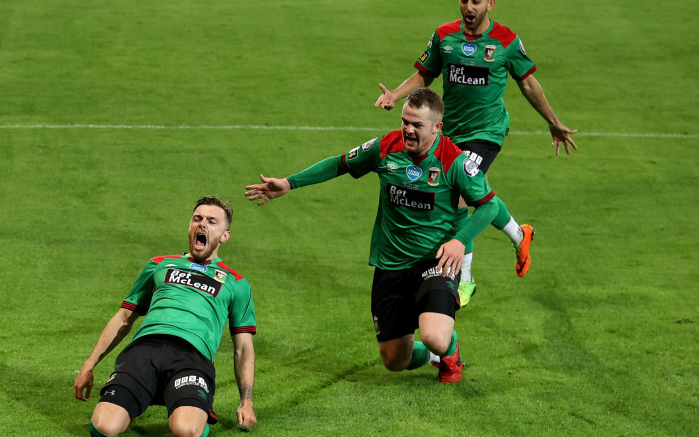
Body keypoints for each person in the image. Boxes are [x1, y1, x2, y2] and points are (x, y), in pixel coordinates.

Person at [245, 88, 498, 383]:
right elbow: (340, 163)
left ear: (437, 127)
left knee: (435, 336)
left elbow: (489, 205)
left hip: (435, 260)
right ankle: (431, 355)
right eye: (406, 121)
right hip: (391, 264)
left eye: (417, 125)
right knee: (394, 360)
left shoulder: (454, 161)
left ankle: (447, 351)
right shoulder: (386, 147)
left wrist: (458, 241)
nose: (408, 129)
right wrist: (290, 182)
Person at [375, 0, 578, 307]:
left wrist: (553, 121)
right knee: (472, 193)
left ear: (491, 3)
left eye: (476, 1)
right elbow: (425, 74)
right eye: (464, 0)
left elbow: (528, 83)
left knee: (458, 194)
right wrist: (395, 96)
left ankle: (464, 279)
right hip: (449, 133)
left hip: (487, 132)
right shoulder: (444, 36)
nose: (469, 7)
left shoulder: (506, 41)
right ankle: (518, 234)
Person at [74, 196, 257, 437]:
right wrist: (89, 364)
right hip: (143, 351)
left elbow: (243, 349)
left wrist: (247, 401)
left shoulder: (237, 283)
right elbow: (124, 317)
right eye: (197, 218)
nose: (202, 224)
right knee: (105, 427)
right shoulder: (159, 264)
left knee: (186, 430)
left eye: (212, 221)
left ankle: (194, 412)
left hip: (191, 358)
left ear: (225, 235)